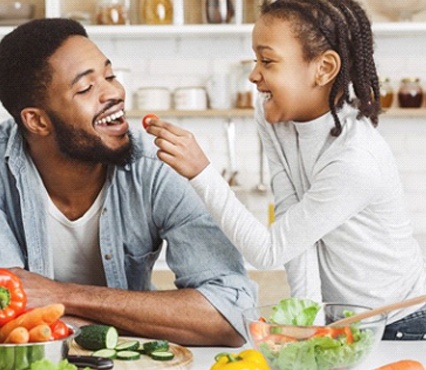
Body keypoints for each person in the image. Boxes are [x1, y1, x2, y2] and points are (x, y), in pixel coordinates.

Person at [0, 18, 257, 346]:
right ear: (37, 120)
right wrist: (147, 319)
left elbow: (231, 316)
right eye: (86, 88)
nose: (114, 92)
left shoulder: (157, 164)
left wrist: (60, 295)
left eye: (109, 75)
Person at [146, 0, 426, 340]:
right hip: (345, 324)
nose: (254, 75)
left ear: (323, 68)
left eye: (267, 61)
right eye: (255, 60)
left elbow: (270, 251)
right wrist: (310, 323)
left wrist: (201, 173)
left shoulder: (356, 159)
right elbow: (295, 233)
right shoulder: (273, 117)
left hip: (401, 322)